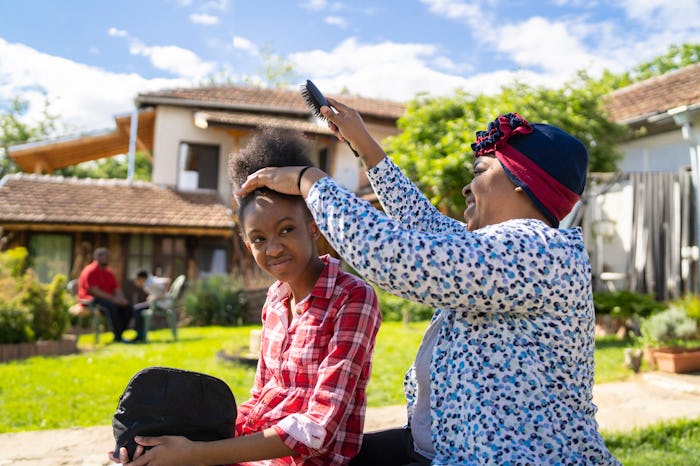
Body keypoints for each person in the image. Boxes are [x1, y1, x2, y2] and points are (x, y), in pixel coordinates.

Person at [236, 101, 620, 465]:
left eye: (480, 172)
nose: (467, 188)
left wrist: (312, 182)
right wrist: (364, 145)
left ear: (523, 182)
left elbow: (397, 254)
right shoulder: (492, 251)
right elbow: (423, 224)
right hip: (443, 447)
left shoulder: (538, 250)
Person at [112, 127, 382, 466]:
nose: (274, 248)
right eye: (258, 239)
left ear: (313, 226)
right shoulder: (275, 301)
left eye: (287, 230)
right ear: (247, 243)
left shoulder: (353, 299)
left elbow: (318, 428)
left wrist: (197, 454)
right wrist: (160, 443)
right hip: (253, 454)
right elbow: (259, 400)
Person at [78, 247, 132, 343]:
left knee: (127, 308)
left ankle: (119, 335)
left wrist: (121, 299)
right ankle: (117, 335)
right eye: (105, 256)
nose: (108, 258)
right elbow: (94, 290)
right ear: (97, 257)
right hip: (90, 300)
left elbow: (116, 288)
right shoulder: (90, 270)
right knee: (112, 307)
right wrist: (113, 299)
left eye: (108, 256)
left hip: (108, 299)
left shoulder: (108, 272)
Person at [121, 269, 171, 342]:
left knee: (137, 310)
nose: (136, 282)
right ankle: (140, 334)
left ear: (141, 278)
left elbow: (167, 281)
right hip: (156, 304)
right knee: (137, 308)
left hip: (160, 305)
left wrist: (161, 296)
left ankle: (140, 335)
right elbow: (157, 290)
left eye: (137, 279)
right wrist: (153, 296)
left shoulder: (150, 282)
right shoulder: (148, 282)